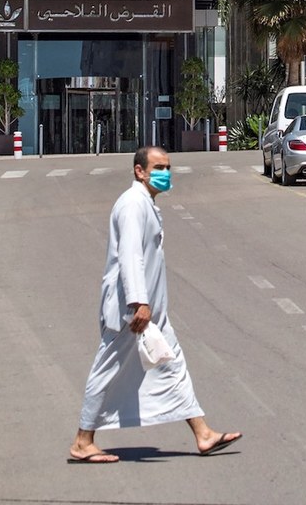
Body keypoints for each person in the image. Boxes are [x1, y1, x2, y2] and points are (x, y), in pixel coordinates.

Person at [70, 146, 242, 464]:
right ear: (139, 171)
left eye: (168, 167)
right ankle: (82, 441)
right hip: (130, 312)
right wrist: (140, 303)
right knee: (107, 370)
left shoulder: (145, 203)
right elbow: (130, 257)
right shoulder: (133, 204)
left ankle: (202, 433)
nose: (165, 173)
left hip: (151, 314)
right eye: (159, 167)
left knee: (172, 365)